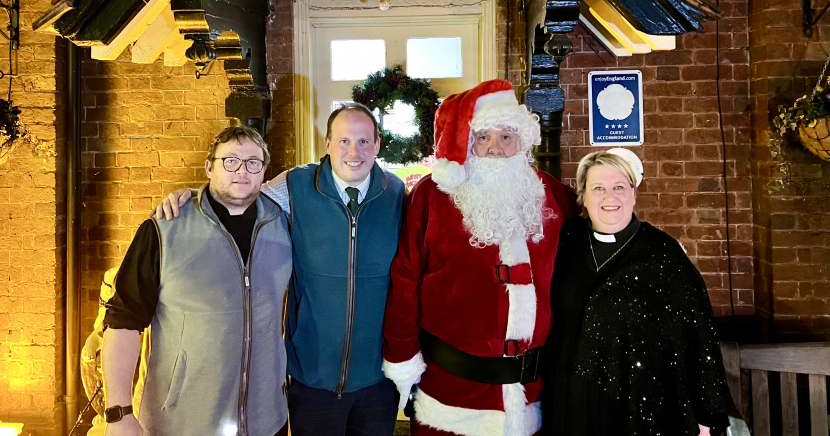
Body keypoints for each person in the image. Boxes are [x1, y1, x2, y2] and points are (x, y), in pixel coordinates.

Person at [156, 103, 406, 436]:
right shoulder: (296, 186)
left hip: (377, 380)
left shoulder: (397, 193)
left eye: (363, 141)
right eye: (344, 140)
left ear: (377, 145)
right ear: (328, 143)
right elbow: (241, 197)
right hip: (310, 379)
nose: (353, 151)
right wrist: (191, 198)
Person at [381, 79, 578, 436]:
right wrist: (402, 356)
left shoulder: (552, 194)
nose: (495, 149)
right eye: (483, 137)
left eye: (506, 136)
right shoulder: (431, 196)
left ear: (523, 139)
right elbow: (405, 280)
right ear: (468, 144)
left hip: (532, 395)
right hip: (450, 396)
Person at [102, 126, 293, 436]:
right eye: (230, 161)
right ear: (209, 167)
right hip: (182, 422)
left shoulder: (282, 224)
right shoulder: (165, 228)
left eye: (252, 162)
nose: (242, 171)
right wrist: (119, 412)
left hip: (266, 418)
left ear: (263, 172)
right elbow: (123, 320)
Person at [541, 149, 734, 436]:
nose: (610, 197)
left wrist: (707, 416)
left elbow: (698, 337)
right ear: (583, 195)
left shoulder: (663, 254)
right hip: (571, 399)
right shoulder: (562, 243)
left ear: (633, 194)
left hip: (638, 404)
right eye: (598, 188)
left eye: (619, 187)